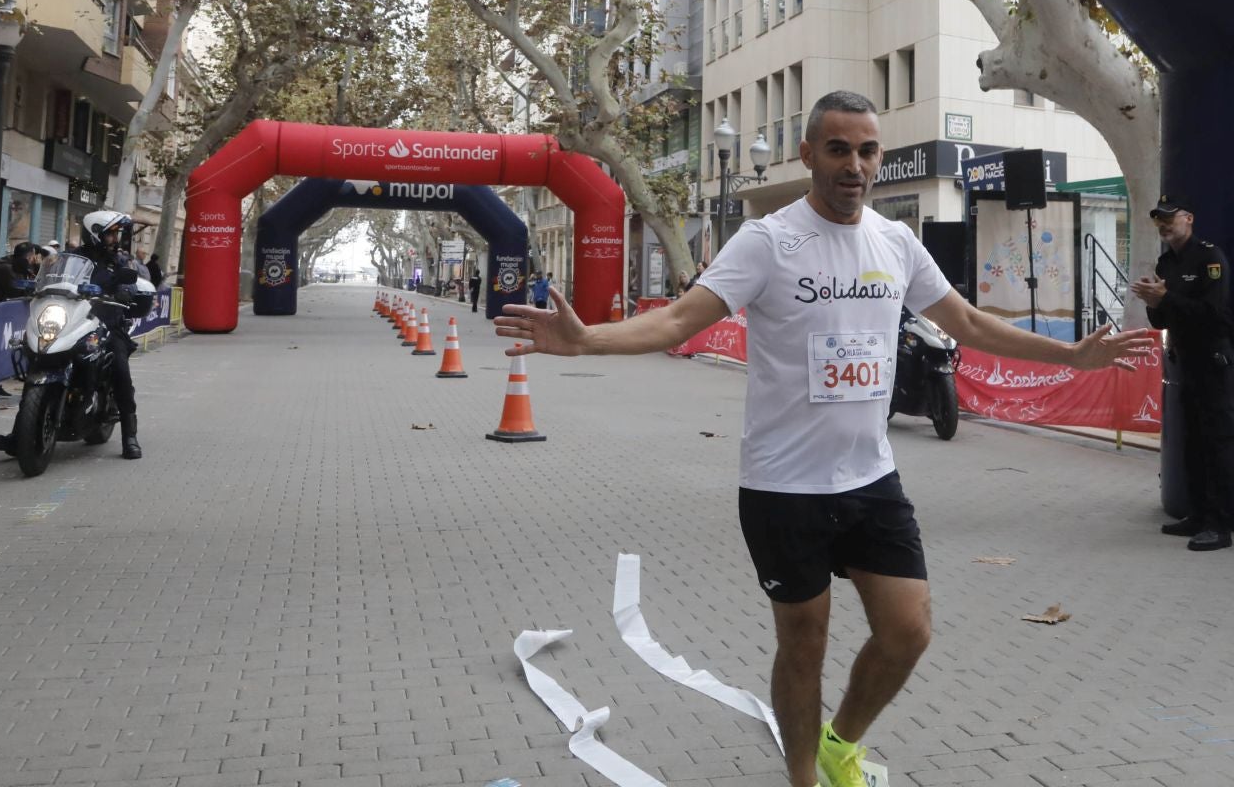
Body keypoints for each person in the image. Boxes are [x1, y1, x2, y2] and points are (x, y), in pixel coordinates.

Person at [495, 91, 1155, 787]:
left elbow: (968, 323)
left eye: (867, 150)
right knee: (803, 646)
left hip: (871, 479)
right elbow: (678, 321)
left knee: (909, 630)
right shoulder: (768, 241)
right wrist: (589, 340)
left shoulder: (896, 242)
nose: (855, 165)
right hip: (784, 488)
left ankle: (842, 742)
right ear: (808, 154)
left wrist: (1073, 357)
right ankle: (805, 779)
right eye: (838, 149)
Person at [1130, 194, 1234, 551]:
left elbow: (1214, 314)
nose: (1163, 224)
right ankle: (1196, 514)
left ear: (1189, 218)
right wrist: (1152, 303)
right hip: (1184, 363)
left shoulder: (1210, 258)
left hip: (1213, 362)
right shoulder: (1166, 263)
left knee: (1217, 444)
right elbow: (1163, 319)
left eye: (1169, 217)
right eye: (1158, 219)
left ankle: (1219, 526)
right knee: (1190, 442)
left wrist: (1167, 299)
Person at [0, 210, 144, 461]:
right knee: (38, 363)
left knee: (119, 366)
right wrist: (36, 284)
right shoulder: (72, 257)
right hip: (72, 319)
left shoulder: (118, 262)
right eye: (110, 234)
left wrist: (127, 290)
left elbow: (128, 285)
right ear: (95, 234)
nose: (115, 239)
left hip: (105, 321)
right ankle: (20, 434)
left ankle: (130, 435)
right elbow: (53, 278)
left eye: (116, 234)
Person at [0, 242, 41, 307]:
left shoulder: (20, 267)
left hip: (2, 307)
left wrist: (37, 266)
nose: (35, 259)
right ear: (29, 257)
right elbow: (16, 293)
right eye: (34, 256)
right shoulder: (6, 268)